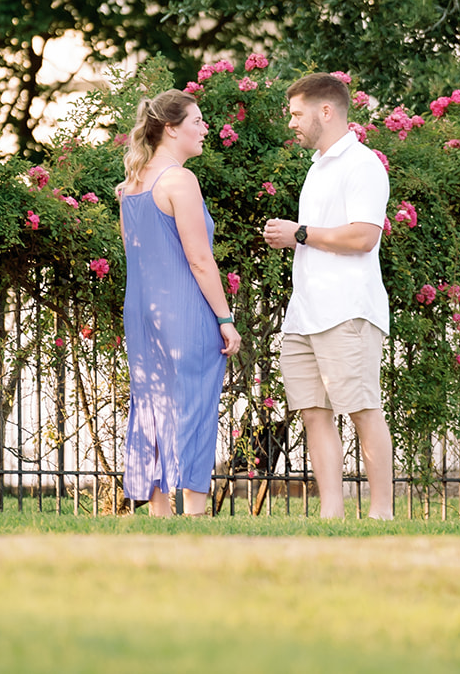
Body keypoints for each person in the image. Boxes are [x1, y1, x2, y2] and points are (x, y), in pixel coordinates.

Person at [263, 73, 394, 519]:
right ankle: (331, 516)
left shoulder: (362, 165)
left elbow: (363, 237)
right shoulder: (318, 167)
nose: (292, 123)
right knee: (313, 413)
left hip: (347, 311)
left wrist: (298, 233)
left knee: (362, 409)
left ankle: (381, 515)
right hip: (305, 315)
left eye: (297, 114)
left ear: (326, 111)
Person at [118, 89, 242, 516]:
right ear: (171, 129)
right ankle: (194, 508)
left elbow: (134, 253)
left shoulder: (130, 185)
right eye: (197, 121)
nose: (204, 128)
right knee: (192, 401)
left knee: (151, 402)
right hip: (183, 310)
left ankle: (158, 509)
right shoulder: (179, 181)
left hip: (141, 311)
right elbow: (200, 259)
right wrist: (225, 318)